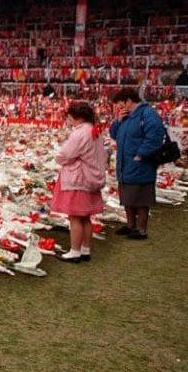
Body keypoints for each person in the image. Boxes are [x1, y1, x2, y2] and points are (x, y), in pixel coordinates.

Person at [51, 101, 108, 262]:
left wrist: (59, 158)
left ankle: (75, 252)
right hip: (92, 177)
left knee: (75, 217)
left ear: (76, 117)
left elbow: (66, 154)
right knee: (86, 217)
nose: (69, 120)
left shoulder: (80, 133)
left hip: (79, 179)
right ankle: (85, 250)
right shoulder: (94, 130)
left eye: (69, 117)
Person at [110, 88, 164, 240]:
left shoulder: (147, 114)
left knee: (141, 198)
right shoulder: (127, 116)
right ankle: (130, 226)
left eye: (121, 103)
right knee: (128, 197)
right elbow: (114, 134)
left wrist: (141, 154)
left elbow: (155, 136)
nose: (119, 107)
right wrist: (117, 121)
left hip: (140, 163)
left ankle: (141, 230)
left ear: (128, 101)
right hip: (125, 162)